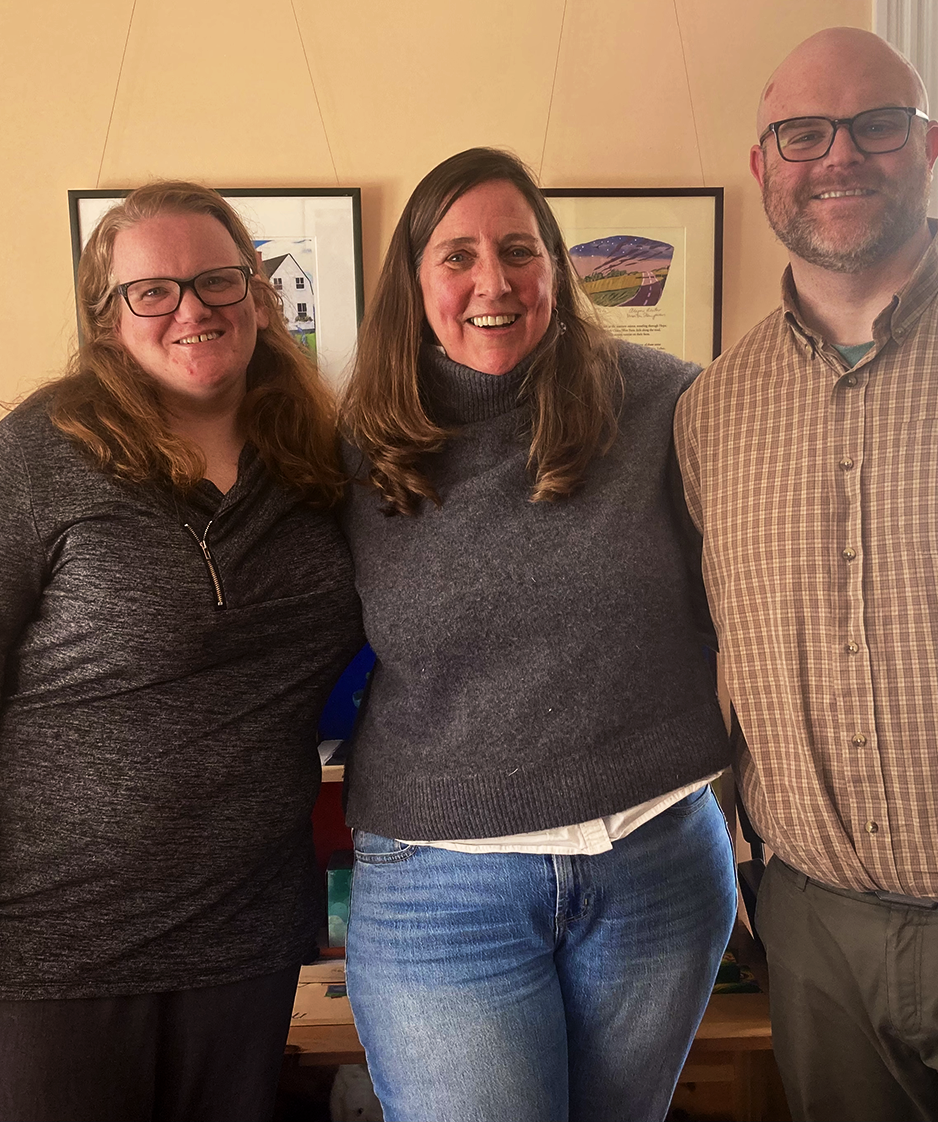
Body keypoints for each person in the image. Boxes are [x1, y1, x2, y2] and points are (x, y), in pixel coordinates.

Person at [675, 25, 938, 1122]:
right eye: (802, 133)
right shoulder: (708, 412)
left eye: (874, 125)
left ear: (925, 148)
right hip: (818, 942)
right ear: (761, 165)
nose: (838, 157)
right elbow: (713, 650)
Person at [0, 181, 364, 1122]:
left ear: (259, 295)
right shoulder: (36, 457)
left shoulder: (320, 464)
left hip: (242, 938)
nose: (195, 308)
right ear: (106, 322)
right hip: (43, 947)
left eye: (220, 280)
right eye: (155, 291)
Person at [339, 147, 736, 1122]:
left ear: (557, 268)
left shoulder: (665, 403)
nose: (493, 281)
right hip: (441, 892)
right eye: (457, 255)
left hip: (658, 863)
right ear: (413, 281)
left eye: (520, 250)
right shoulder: (352, 452)